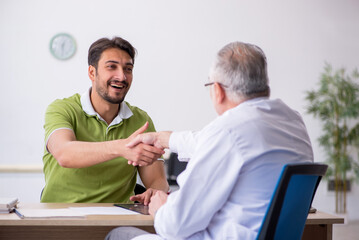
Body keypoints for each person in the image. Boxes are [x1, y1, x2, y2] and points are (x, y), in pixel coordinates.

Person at [106, 41, 314, 239]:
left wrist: (161, 208)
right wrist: (162, 138)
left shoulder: (228, 131)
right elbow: (209, 141)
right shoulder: (292, 121)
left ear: (218, 90)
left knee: (118, 235)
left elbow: (175, 225)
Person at [41, 37, 169, 203]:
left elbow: (157, 180)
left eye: (128, 69)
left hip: (118, 219)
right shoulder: (62, 109)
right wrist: (121, 147)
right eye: (111, 67)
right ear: (92, 73)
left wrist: (155, 191)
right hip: (61, 218)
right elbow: (65, 154)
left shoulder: (140, 120)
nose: (122, 76)